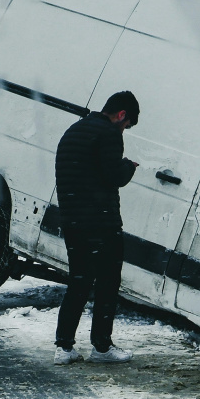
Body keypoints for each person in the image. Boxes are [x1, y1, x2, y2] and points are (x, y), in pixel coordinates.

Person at [52, 91, 139, 365]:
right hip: (101, 222)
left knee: (78, 282)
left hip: (73, 220)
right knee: (107, 282)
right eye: (127, 125)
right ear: (122, 115)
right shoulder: (109, 134)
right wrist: (128, 167)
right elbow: (112, 175)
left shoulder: (74, 130)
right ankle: (101, 347)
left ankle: (63, 348)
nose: (124, 130)